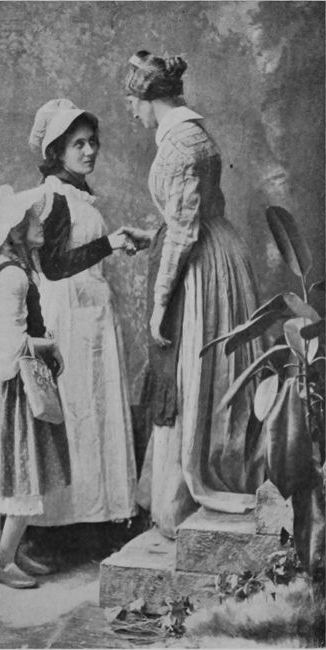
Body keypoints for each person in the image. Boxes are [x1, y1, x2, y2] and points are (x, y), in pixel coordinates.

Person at [121, 51, 265, 538]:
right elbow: (187, 215)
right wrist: (152, 235)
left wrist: (160, 305)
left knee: (193, 370)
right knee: (205, 372)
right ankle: (183, 486)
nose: (132, 112)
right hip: (218, 251)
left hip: (201, 267)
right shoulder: (192, 135)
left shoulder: (180, 145)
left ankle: (182, 496)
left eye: (133, 101)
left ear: (149, 98)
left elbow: (184, 231)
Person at [27, 99, 137, 527]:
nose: (90, 151)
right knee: (75, 409)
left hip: (90, 311)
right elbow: (53, 267)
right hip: (67, 314)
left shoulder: (79, 196)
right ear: (57, 151)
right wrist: (108, 244)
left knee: (96, 407)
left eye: (92, 142)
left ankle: (97, 516)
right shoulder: (54, 196)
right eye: (78, 144)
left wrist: (114, 244)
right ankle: (60, 524)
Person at [0, 184, 71, 588]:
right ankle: (1, 563)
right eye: (32, 220)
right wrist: (50, 345)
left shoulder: (15, 269)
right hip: (14, 384)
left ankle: (13, 551)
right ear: (15, 231)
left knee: (26, 469)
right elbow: (9, 342)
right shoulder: (10, 275)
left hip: (17, 377)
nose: (41, 224)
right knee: (21, 474)